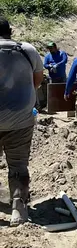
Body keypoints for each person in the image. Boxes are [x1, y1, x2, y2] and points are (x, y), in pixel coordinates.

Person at [0, 16, 44, 225]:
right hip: (21, 119)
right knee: (18, 164)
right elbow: (36, 81)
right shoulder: (28, 50)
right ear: (10, 31)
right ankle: (19, 210)